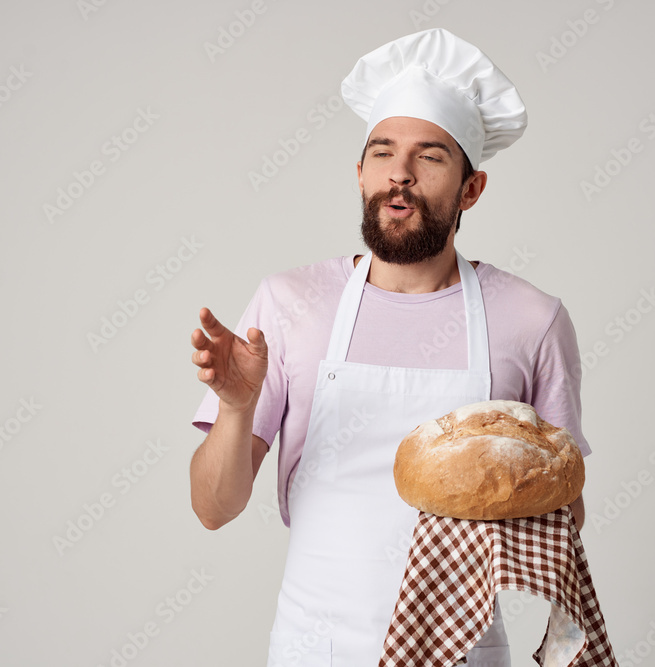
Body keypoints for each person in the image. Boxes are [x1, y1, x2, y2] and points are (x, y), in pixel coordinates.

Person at [189, 28, 591, 667]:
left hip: (466, 655)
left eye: (429, 157)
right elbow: (213, 509)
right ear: (359, 172)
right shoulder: (289, 304)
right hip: (314, 649)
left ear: (471, 189)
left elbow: (563, 512)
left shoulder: (532, 319)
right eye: (382, 153)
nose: (399, 175)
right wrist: (237, 409)